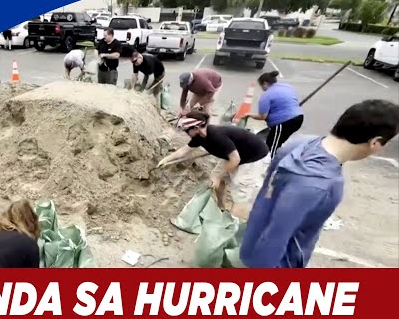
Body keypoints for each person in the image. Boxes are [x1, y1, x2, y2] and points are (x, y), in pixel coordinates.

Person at [240, 99, 399, 269]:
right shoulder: (318, 183)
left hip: (252, 243)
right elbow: (277, 234)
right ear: (375, 142)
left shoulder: (299, 144)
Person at [157, 110, 269, 220]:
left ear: (196, 128)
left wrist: (218, 177)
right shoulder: (199, 137)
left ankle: (235, 223)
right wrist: (165, 160)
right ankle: (221, 208)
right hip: (236, 155)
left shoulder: (216, 136)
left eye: (186, 131)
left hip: (253, 158)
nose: (186, 133)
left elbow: (235, 160)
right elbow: (183, 151)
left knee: (241, 193)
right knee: (216, 177)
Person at [239, 71, 304, 158]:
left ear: (265, 83)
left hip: (284, 122)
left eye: (261, 86)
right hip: (299, 117)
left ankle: (270, 166)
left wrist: (249, 115)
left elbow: (262, 116)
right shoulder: (287, 87)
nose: (262, 89)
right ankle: (277, 159)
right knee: (276, 141)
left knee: (272, 147)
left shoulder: (266, 95)